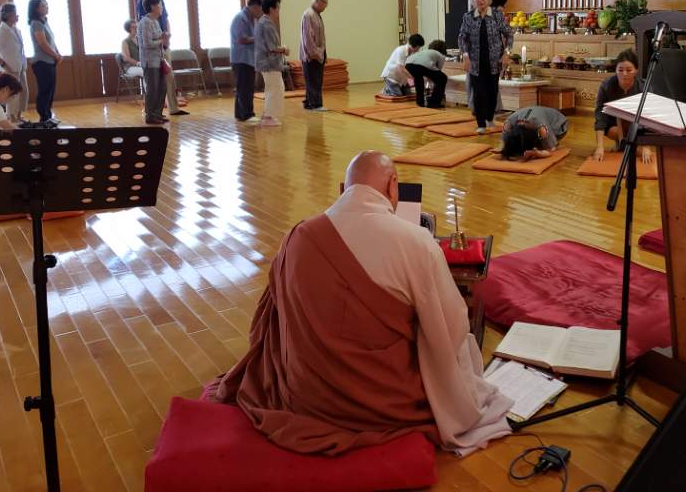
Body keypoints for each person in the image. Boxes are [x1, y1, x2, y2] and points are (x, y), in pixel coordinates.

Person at [210, 151, 512, 456]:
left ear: (344, 189)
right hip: (382, 400)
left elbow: (272, 319)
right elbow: (450, 329)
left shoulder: (297, 236)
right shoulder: (415, 241)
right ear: (393, 185)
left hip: (306, 394)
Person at [458, 0, 513, 134]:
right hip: (475, 63)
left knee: (492, 91)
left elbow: (509, 34)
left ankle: (489, 118)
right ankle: (481, 123)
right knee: (478, 92)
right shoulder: (468, 17)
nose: (480, 0)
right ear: (473, 0)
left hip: (494, 62)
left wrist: (506, 53)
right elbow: (462, 38)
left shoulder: (497, 16)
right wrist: (465, 56)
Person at [136, 0, 188, 116]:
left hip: (163, 45)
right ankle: (151, 113)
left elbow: (166, 19)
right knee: (153, 84)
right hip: (152, 51)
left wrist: (168, 34)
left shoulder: (161, 0)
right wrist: (160, 39)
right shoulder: (143, 1)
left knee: (168, 78)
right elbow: (144, 25)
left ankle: (172, 108)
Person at [593, 48, 653, 165]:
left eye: (629, 70)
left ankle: (629, 145)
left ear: (636, 70)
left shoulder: (644, 88)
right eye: (620, 70)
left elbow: (648, 118)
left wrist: (646, 146)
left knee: (638, 146)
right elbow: (600, 116)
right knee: (615, 129)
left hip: (637, 125)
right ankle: (623, 143)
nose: (624, 74)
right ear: (615, 70)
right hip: (614, 124)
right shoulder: (606, 86)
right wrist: (600, 147)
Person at [0, 2, 28, 122]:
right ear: (8, 15)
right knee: (12, 93)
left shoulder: (16, 29)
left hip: (20, 65)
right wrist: (4, 65)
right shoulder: (1, 30)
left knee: (23, 91)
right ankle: (11, 117)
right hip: (9, 67)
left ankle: (19, 115)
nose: (17, 16)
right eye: (15, 13)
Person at [28, 0, 62, 125]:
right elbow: (42, 43)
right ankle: (44, 117)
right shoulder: (36, 23)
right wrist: (55, 55)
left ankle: (48, 115)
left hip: (50, 61)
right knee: (44, 91)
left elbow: (51, 41)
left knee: (51, 90)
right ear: (36, 9)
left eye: (46, 5)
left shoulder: (44, 21)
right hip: (41, 62)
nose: (47, 7)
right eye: (43, 5)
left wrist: (57, 53)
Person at [255, 0, 287, 128]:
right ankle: (268, 117)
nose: (279, 11)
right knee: (275, 89)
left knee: (272, 89)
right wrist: (284, 49)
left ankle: (266, 115)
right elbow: (272, 47)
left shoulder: (262, 22)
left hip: (266, 63)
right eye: (278, 8)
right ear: (272, 9)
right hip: (269, 63)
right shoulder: (267, 24)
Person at [230, 0, 265, 122]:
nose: (261, 12)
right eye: (261, 9)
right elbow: (242, 39)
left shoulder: (249, 18)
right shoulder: (241, 18)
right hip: (241, 58)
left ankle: (240, 114)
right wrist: (258, 38)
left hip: (247, 58)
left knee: (244, 87)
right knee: (245, 88)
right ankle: (247, 114)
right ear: (254, 7)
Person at [139, 0, 169, 125]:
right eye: (160, 5)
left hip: (159, 60)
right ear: (152, 6)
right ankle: (150, 116)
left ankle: (158, 114)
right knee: (153, 89)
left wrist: (164, 37)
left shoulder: (156, 21)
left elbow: (158, 39)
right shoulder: (145, 22)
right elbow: (147, 44)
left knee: (162, 87)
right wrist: (161, 40)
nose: (162, 8)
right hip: (150, 61)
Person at [498, 106, 568, 160]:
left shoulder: (541, 127)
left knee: (546, 146)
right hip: (534, 117)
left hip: (559, 123)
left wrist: (536, 153)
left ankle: (550, 140)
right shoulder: (508, 125)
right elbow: (505, 145)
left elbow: (551, 150)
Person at [300, 0, 329, 111]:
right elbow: (308, 38)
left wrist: (323, 54)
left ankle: (309, 103)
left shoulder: (316, 14)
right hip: (311, 55)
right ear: (317, 1)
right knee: (313, 80)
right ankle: (315, 104)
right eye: (324, 3)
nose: (325, 7)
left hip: (318, 53)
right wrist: (315, 54)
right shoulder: (309, 15)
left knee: (315, 80)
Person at [405, 40, 448, 108]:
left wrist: (430, 79)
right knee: (442, 78)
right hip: (420, 66)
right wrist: (433, 83)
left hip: (408, 64)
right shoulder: (441, 55)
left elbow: (430, 71)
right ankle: (434, 103)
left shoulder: (425, 51)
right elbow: (438, 70)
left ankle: (420, 103)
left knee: (419, 82)